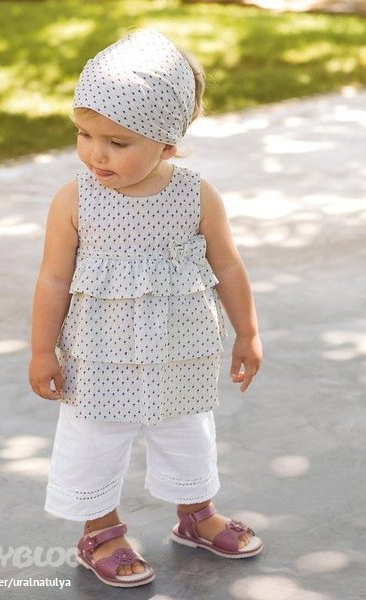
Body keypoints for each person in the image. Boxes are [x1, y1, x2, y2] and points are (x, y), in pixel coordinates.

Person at [29, 28, 263, 588]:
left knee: (188, 432)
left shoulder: (196, 196)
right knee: (94, 440)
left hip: (181, 351)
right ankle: (101, 532)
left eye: (117, 141)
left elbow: (229, 267)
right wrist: (42, 350)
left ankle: (196, 514)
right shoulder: (74, 200)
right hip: (98, 356)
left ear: (168, 143)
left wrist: (247, 333)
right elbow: (53, 278)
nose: (95, 153)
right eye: (84, 134)